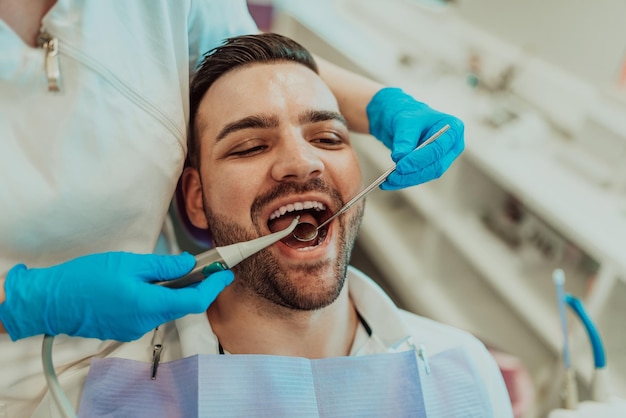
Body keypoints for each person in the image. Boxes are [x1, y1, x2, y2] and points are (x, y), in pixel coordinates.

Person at [0, 1, 463, 416]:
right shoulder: (103, 401)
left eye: (327, 138)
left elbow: (261, 66)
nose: (303, 161)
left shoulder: (460, 371)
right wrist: (21, 301)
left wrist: (380, 104)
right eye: (248, 147)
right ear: (195, 199)